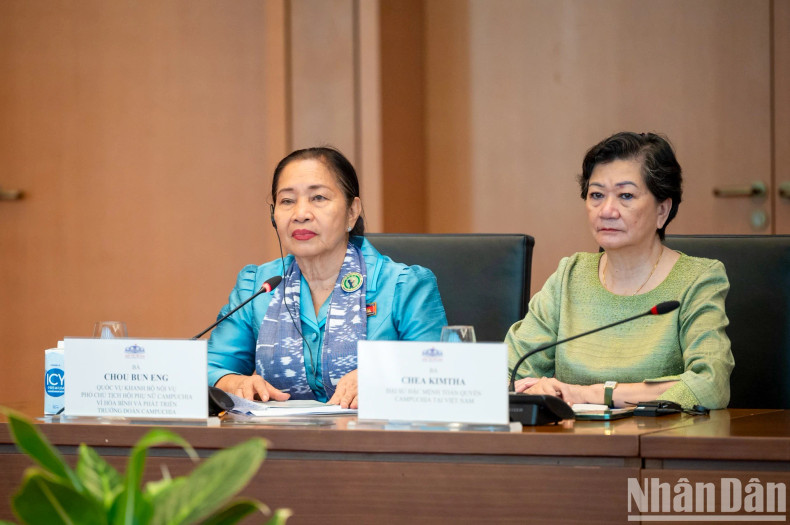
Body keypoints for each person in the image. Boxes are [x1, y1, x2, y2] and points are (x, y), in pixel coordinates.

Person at [507, 132, 734, 409]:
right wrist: (532, 389)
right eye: (596, 195)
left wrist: (590, 394)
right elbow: (506, 372)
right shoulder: (570, 276)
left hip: (659, 443)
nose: (607, 210)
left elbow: (710, 386)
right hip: (570, 444)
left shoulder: (697, 280)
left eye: (626, 195)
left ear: (662, 210)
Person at [208, 147, 447, 408]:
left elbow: (441, 371)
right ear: (273, 216)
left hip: (380, 441)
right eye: (287, 201)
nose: (300, 213)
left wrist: (382, 376)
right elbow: (211, 367)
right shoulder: (259, 286)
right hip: (276, 442)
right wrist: (235, 383)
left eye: (318, 198)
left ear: (352, 212)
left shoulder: (404, 287)